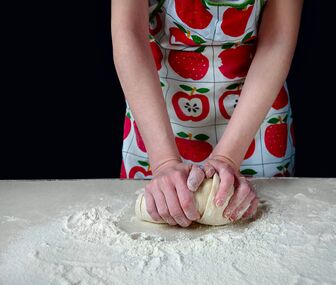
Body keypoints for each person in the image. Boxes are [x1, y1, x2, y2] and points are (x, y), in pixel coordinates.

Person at [112, 0, 303, 227]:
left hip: (255, 115)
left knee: (264, 226)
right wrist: (164, 162)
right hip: (158, 113)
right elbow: (129, 32)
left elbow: (277, 40)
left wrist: (228, 157)